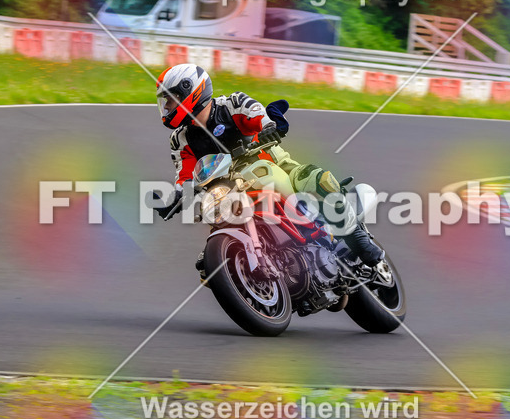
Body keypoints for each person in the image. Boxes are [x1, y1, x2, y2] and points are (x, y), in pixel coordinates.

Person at [153, 62, 385, 268]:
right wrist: (175, 198)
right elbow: (185, 175)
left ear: (189, 91)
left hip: (270, 164)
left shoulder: (231, 104)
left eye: (171, 99)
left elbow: (259, 115)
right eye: (165, 101)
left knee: (317, 179)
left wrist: (271, 125)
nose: (167, 106)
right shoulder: (180, 140)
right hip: (227, 189)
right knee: (208, 264)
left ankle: (357, 238)